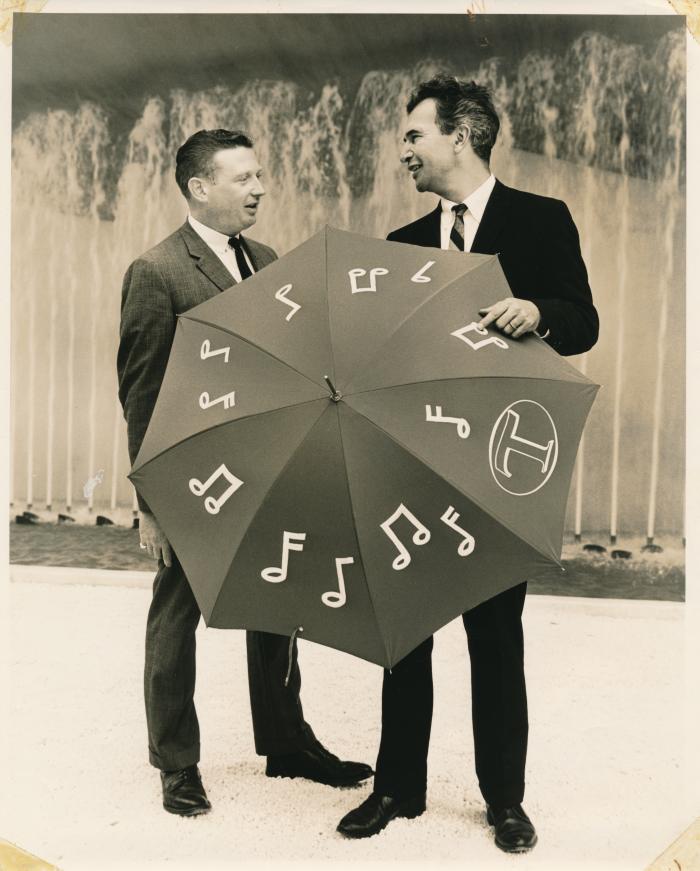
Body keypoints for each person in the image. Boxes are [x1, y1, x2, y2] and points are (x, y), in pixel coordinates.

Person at [337, 76, 598, 851]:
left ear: (463, 135)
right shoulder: (402, 246)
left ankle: (505, 800)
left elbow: (583, 321)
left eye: (415, 134)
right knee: (403, 633)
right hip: (411, 465)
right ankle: (396, 787)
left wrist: (540, 312)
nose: (403, 149)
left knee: (495, 635)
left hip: (495, 467)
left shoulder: (541, 221)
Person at [117, 128, 371, 817]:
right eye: (245, 178)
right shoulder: (157, 271)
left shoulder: (265, 259)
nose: (260, 188)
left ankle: (286, 742)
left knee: (281, 600)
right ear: (201, 188)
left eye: (260, 176)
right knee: (176, 612)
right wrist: (151, 501)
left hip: (271, 465)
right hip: (195, 476)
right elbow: (140, 394)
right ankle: (176, 763)